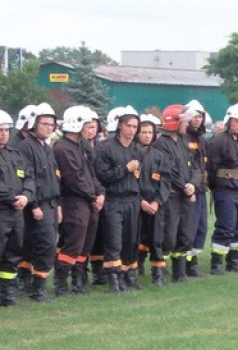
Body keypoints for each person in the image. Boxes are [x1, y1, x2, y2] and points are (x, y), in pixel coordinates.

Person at [53, 106, 105, 296]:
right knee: (73, 243)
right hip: (74, 202)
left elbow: (90, 173)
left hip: (89, 201)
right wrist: (93, 197)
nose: (90, 129)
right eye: (86, 124)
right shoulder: (62, 148)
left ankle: (78, 280)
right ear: (76, 124)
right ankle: (60, 283)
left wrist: (100, 193)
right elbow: (73, 179)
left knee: (86, 244)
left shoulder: (81, 145)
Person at [93, 106, 143, 293]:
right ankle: (114, 278)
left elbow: (139, 177)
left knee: (131, 240)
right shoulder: (106, 147)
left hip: (132, 200)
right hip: (113, 200)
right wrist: (125, 169)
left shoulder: (137, 149)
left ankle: (130, 274)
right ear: (120, 126)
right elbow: (102, 175)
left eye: (135, 127)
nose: (132, 130)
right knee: (114, 240)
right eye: (128, 126)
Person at [15, 103, 60, 301]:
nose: (49, 128)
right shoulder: (27, 147)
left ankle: (32, 283)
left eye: (52, 124)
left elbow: (54, 178)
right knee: (45, 244)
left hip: (51, 203)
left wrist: (58, 204)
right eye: (45, 124)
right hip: (38, 205)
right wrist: (34, 205)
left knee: (43, 244)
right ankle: (37, 289)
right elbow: (28, 178)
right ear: (34, 124)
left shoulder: (47, 148)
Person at [153, 104, 200, 283]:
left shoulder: (184, 140)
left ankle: (180, 273)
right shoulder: (160, 144)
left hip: (185, 195)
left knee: (185, 234)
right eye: (184, 121)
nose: (187, 124)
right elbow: (169, 170)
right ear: (174, 122)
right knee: (168, 235)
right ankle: (159, 272)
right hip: (171, 196)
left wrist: (193, 184)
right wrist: (184, 187)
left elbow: (194, 165)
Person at [206, 103, 238, 275]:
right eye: (236, 121)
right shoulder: (218, 141)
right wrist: (215, 187)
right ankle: (216, 263)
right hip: (225, 190)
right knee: (226, 226)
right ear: (229, 121)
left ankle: (233, 260)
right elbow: (211, 168)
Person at [0, 109, 33, 307]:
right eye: (0, 130)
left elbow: (28, 177)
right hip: (3, 210)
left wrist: (26, 196)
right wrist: (13, 198)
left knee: (13, 253)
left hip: (17, 213)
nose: (4, 134)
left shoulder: (15, 154)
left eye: (6, 130)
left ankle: (7, 291)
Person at [136, 114, 170, 286]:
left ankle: (158, 274)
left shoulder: (159, 156)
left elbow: (165, 181)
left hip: (156, 204)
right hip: (136, 204)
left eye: (150, 132)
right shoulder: (131, 154)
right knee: (135, 237)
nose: (147, 135)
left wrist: (157, 201)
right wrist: (140, 201)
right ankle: (135, 267)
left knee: (156, 239)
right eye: (143, 132)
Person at [183, 100, 209, 277]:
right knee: (189, 227)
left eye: (200, 117)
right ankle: (187, 263)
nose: (197, 120)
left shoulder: (201, 139)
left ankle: (193, 259)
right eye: (194, 116)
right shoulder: (184, 138)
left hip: (200, 188)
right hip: (189, 189)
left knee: (201, 226)